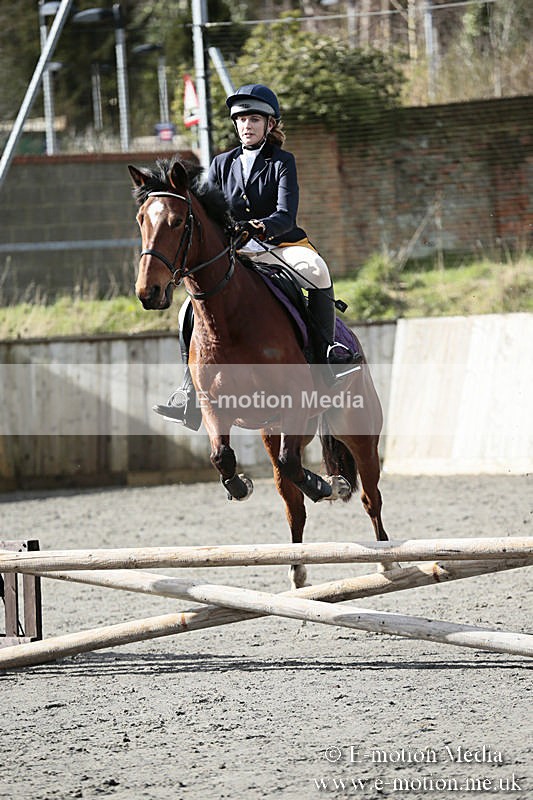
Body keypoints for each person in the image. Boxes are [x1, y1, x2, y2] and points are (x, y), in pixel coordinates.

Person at [153, 84, 362, 428]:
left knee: (317, 270)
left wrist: (258, 228)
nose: (246, 126)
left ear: (269, 124)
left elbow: (285, 214)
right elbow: (209, 212)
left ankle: (328, 356)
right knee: (188, 310)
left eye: (253, 119)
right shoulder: (221, 163)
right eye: (240, 120)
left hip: (278, 245)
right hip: (235, 252)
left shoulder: (282, 162)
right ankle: (189, 390)